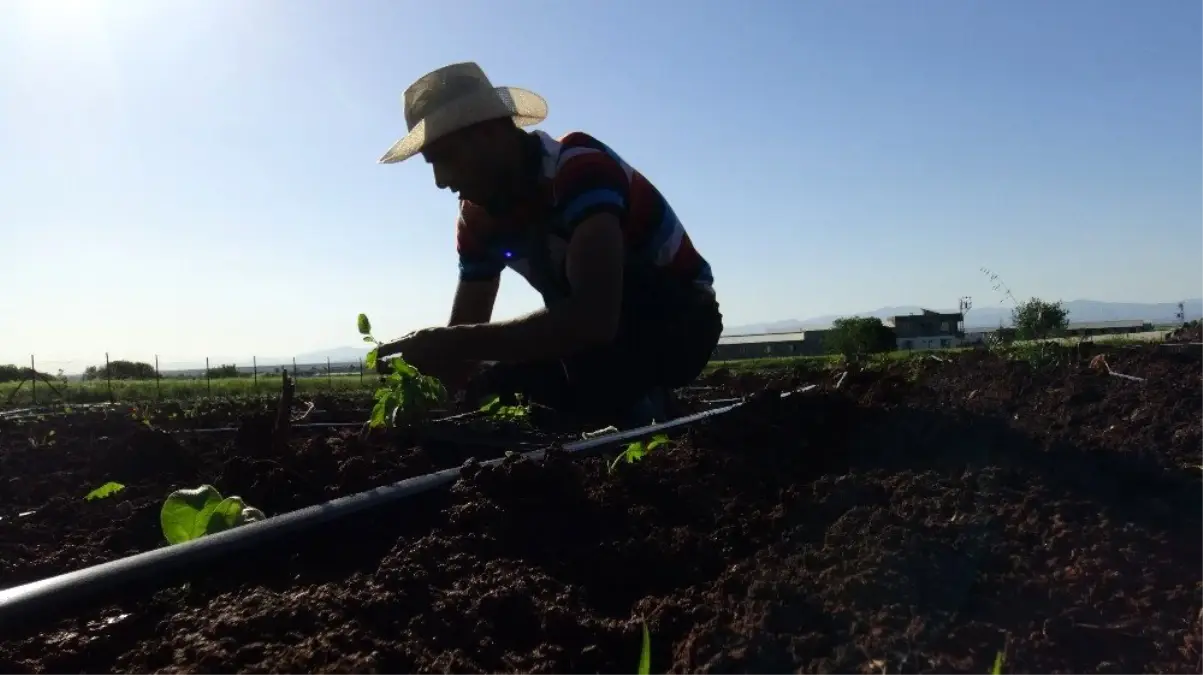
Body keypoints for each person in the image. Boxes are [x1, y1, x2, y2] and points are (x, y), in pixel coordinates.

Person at [374, 62, 723, 428]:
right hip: (592, 336)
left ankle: (646, 417)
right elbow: (466, 331)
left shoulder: (580, 168)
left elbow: (593, 317)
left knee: (596, 376)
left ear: (490, 133)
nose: (441, 180)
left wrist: (449, 343)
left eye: (446, 158)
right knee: (493, 393)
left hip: (680, 320)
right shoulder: (477, 217)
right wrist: (417, 402)